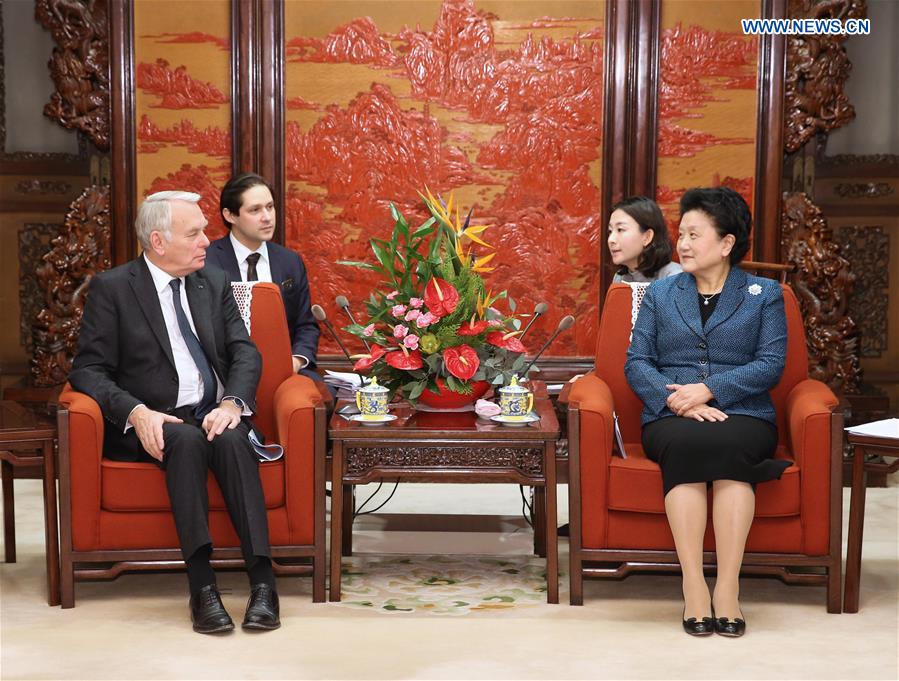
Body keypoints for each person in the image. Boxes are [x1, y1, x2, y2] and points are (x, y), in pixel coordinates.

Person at [69, 191, 281, 635]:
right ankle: (202, 588)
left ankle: (264, 583)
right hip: (153, 418)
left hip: (211, 411)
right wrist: (135, 411)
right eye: (195, 233)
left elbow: (245, 353)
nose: (208, 240)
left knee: (230, 437)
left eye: (205, 229)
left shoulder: (214, 283)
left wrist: (232, 404)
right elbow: (88, 370)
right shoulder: (113, 288)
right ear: (159, 242)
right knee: (182, 439)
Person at [624, 186, 790, 638]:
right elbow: (637, 361)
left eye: (695, 234)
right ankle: (694, 586)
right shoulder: (661, 295)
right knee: (687, 446)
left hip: (744, 413)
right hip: (671, 412)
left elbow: (770, 365)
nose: (683, 244)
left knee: (733, 452)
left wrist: (709, 390)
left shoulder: (764, 294)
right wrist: (676, 399)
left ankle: (729, 589)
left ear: (727, 243)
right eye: (682, 234)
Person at [205, 173, 321, 384]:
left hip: (285, 373)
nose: (267, 217)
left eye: (270, 207)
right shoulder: (206, 263)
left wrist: (294, 361)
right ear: (230, 215)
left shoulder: (290, 262)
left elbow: (306, 325)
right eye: (255, 210)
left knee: (322, 397)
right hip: (226, 375)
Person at [608, 195, 682, 283]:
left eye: (620, 229)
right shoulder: (620, 278)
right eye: (610, 231)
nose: (611, 240)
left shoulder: (674, 277)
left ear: (647, 237)